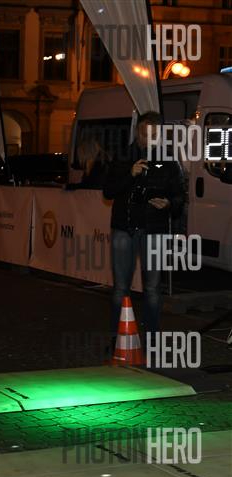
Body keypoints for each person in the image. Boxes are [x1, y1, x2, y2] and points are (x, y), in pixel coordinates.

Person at [103, 111, 184, 334]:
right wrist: (130, 174)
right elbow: (108, 191)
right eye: (144, 134)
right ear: (137, 132)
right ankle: (118, 338)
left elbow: (180, 196)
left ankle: (152, 337)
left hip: (154, 230)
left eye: (153, 135)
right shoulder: (122, 157)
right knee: (121, 288)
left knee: (152, 288)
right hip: (124, 228)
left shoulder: (169, 160)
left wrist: (168, 204)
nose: (147, 139)